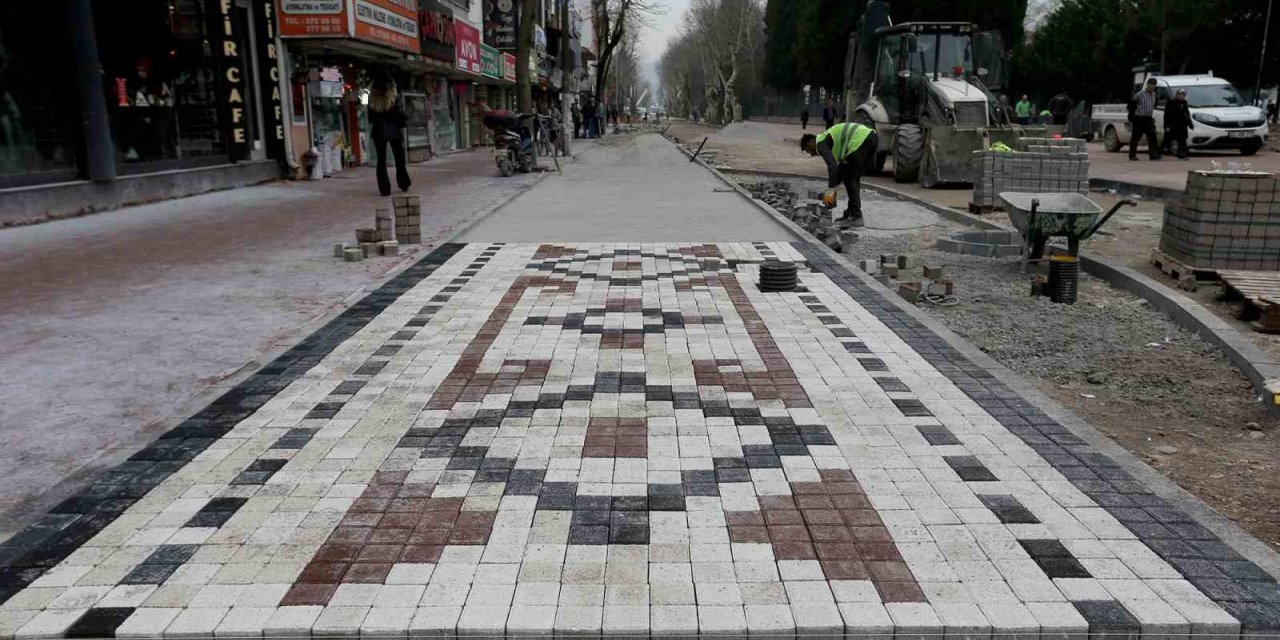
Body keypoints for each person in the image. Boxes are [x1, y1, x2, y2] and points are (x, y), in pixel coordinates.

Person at [800, 122, 879, 229]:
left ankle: (856, 216)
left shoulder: (821, 143)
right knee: (852, 179)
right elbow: (839, 170)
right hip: (870, 138)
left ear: (810, 144)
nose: (811, 154)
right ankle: (850, 213)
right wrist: (833, 189)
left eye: (808, 151)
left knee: (850, 180)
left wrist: (831, 189)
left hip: (861, 140)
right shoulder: (829, 140)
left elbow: (832, 166)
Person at [367, 75, 411, 196]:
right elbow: (400, 114)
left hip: (378, 132)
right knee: (399, 158)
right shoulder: (394, 98)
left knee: (381, 161)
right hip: (393, 130)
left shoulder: (371, 99)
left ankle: (384, 188)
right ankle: (403, 182)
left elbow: (370, 116)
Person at [1128, 77, 1161, 161]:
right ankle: (1132, 155)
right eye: (1150, 84)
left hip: (1148, 118)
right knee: (1136, 137)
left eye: (1153, 85)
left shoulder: (1154, 94)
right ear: (1147, 84)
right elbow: (1131, 106)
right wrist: (1132, 117)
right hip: (1139, 118)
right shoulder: (1140, 94)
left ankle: (1153, 154)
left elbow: (1154, 104)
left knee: (1152, 136)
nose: (1151, 86)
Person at [1163, 88, 1194, 160]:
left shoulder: (1184, 103)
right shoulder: (1171, 102)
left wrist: (1190, 124)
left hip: (1182, 125)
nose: (1181, 96)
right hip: (1173, 124)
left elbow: (1187, 114)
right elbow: (1167, 115)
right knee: (1168, 139)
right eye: (1180, 94)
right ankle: (1160, 151)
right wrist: (1167, 125)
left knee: (1182, 140)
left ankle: (1182, 154)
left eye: (1183, 95)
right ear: (1177, 95)